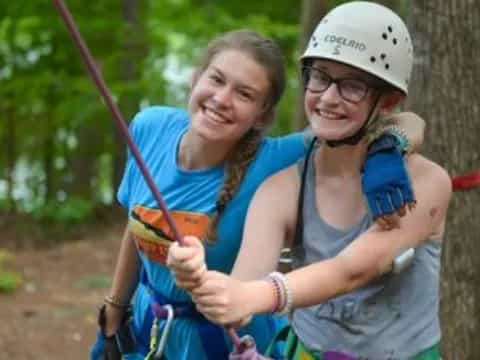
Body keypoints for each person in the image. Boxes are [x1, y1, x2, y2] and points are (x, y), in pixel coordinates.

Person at [91, 28, 424, 360]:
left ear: (261, 116)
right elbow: (137, 227)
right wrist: (114, 310)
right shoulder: (150, 127)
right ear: (195, 78)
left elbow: (407, 120)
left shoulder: (274, 161)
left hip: (226, 344)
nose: (222, 99)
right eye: (217, 79)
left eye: (244, 94)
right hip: (148, 329)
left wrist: (388, 147)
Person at [169, 3, 451, 360]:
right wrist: (199, 275)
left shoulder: (423, 183)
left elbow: (351, 270)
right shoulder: (283, 189)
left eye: (352, 86)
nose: (328, 97)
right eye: (320, 77)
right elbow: (239, 296)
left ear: (388, 101)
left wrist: (254, 295)